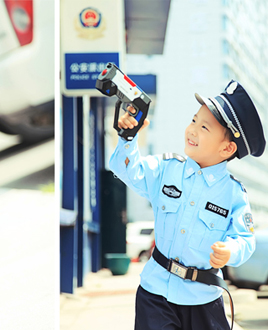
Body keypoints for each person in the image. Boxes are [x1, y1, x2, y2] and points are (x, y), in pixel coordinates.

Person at [109, 80, 265, 330]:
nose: (192, 130)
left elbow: (245, 239)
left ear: (227, 148)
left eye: (204, 127)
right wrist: (128, 137)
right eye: (193, 120)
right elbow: (128, 170)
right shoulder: (167, 168)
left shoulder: (234, 194)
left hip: (203, 299)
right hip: (155, 292)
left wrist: (230, 250)